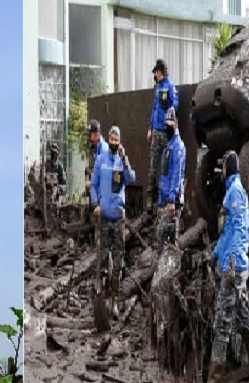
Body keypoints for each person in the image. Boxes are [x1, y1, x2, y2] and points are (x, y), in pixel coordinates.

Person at [195, 151, 249, 383]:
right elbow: (227, 235)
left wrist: (231, 264)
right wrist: (214, 253)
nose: (220, 171)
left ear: (228, 168)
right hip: (235, 266)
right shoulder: (234, 191)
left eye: (223, 167)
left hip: (233, 269)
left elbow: (239, 233)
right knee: (244, 318)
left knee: (222, 324)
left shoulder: (235, 193)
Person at [90, 126, 136, 314]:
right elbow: (93, 185)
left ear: (120, 143)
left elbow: (131, 179)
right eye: (112, 141)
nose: (114, 144)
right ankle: (100, 299)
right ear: (108, 140)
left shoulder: (121, 161)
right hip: (103, 217)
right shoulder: (100, 160)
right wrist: (95, 204)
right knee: (102, 259)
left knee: (117, 262)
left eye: (117, 141)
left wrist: (124, 159)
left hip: (118, 219)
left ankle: (115, 301)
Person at [146, 59, 179, 214]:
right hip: (156, 132)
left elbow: (175, 104)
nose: (156, 75)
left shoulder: (170, 87)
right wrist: (150, 128)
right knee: (153, 166)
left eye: (156, 72)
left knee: (166, 167)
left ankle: (163, 199)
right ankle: (150, 198)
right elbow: (154, 109)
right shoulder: (157, 88)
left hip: (166, 132)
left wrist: (169, 117)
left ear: (161, 71)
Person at [156, 107, 186, 252]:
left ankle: (170, 268)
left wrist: (171, 200)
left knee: (163, 235)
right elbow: (164, 175)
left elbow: (176, 174)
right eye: (166, 124)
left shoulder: (178, 146)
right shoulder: (168, 146)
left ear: (176, 124)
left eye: (170, 124)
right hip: (167, 200)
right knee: (167, 237)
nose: (168, 127)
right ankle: (169, 268)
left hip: (173, 201)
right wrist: (161, 201)